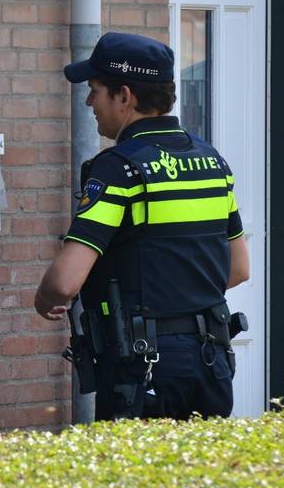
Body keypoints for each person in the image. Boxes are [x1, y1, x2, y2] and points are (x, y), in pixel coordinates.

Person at [33, 32, 250, 421]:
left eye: (95, 89)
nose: (89, 102)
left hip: (146, 366)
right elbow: (238, 270)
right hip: (211, 361)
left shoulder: (119, 169)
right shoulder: (214, 165)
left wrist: (44, 298)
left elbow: (66, 282)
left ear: (125, 96)